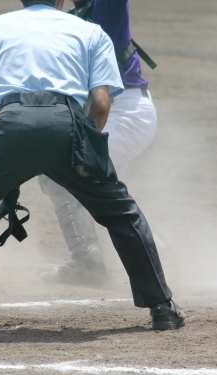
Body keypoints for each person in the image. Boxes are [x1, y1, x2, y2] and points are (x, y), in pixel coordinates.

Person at [0, 0, 184, 333]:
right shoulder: (90, 31)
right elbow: (102, 103)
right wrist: (84, 148)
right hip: (69, 124)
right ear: (61, 1)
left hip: (10, 126)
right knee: (120, 212)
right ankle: (162, 308)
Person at [37, 0, 158, 286]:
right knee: (101, 196)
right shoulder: (70, 16)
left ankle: (87, 263)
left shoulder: (106, 4)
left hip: (124, 112)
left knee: (63, 176)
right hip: (107, 112)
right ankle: (164, 256)